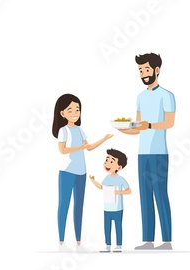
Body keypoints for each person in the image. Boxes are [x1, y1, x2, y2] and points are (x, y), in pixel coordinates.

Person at [118, 53, 175, 250]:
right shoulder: (140, 97)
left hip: (159, 153)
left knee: (160, 194)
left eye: (146, 69)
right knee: (144, 195)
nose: (143, 74)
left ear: (156, 70)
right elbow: (139, 127)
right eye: (140, 70)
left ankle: (167, 241)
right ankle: (148, 240)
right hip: (142, 153)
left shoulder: (167, 96)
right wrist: (124, 129)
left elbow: (169, 123)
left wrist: (148, 124)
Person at [52, 93, 113, 252]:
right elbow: (62, 150)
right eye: (70, 110)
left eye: (77, 109)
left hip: (81, 172)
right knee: (64, 205)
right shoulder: (63, 130)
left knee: (79, 206)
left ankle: (78, 243)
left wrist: (104, 139)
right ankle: (61, 242)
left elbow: (89, 147)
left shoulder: (79, 130)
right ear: (62, 113)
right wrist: (80, 148)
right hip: (67, 172)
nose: (75, 113)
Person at [89, 149, 131, 253]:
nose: (107, 163)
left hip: (117, 208)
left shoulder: (121, 179)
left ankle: (119, 245)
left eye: (111, 161)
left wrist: (118, 193)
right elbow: (101, 187)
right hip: (107, 207)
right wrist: (93, 181)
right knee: (107, 227)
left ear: (119, 167)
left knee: (118, 226)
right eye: (107, 160)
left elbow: (129, 190)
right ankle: (107, 245)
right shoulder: (107, 178)